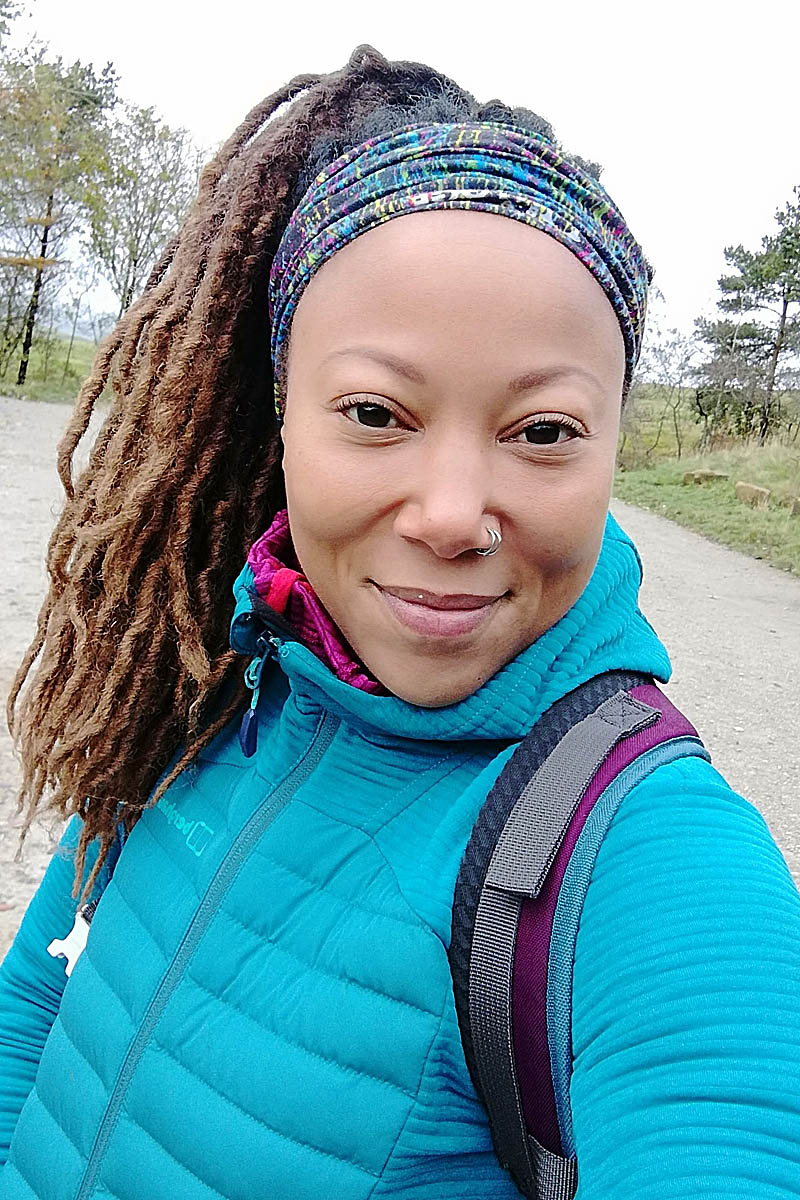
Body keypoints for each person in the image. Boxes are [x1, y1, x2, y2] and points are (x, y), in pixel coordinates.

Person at [1, 44, 799, 1200]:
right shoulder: (201, 688)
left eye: (541, 432)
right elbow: (37, 1003)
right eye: (375, 413)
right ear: (280, 417)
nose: (450, 513)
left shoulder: (647, 856)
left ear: (613, 448)